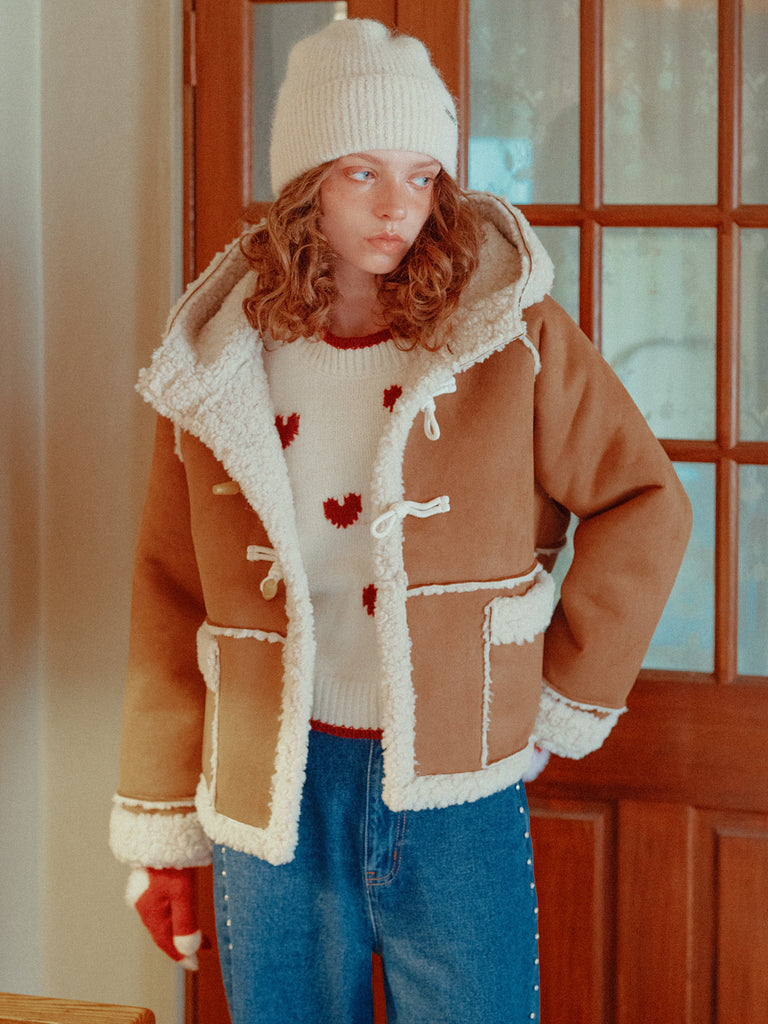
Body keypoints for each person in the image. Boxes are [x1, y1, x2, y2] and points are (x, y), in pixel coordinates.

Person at [109, 18, 691, 1024]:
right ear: (306, 184)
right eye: (362, 173)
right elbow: (171, 590)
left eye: (423, 176)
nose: (397, 208)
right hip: (271, 791)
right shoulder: (217, 361)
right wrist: (162, 836)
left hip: (457, 789)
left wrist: (553, 698)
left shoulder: (510, 335)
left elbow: (646, 502)